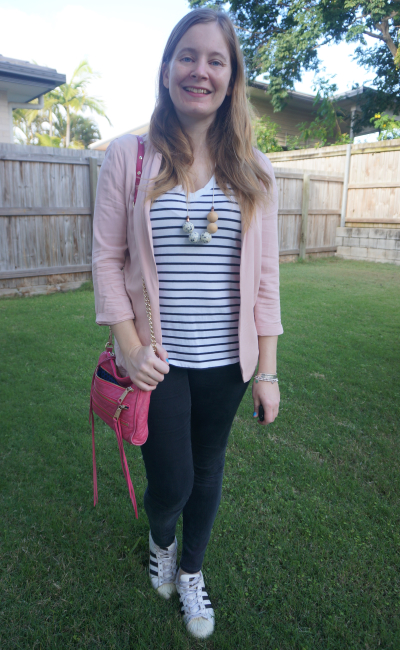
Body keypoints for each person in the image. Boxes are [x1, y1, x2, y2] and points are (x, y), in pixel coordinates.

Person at [92, 8, 283, 640]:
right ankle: (162, 538)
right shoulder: (131, 155)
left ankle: (192, 570)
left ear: (231, 78)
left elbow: (265, 281)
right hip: (159, 361)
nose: (200, 71)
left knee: (208, 469)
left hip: (229, 363)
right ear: (168, 68)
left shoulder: (255, 170)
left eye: (215, 60)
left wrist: (269, 372)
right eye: (187, 56)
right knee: (169, 480)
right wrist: (128, 348)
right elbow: (106, 258)